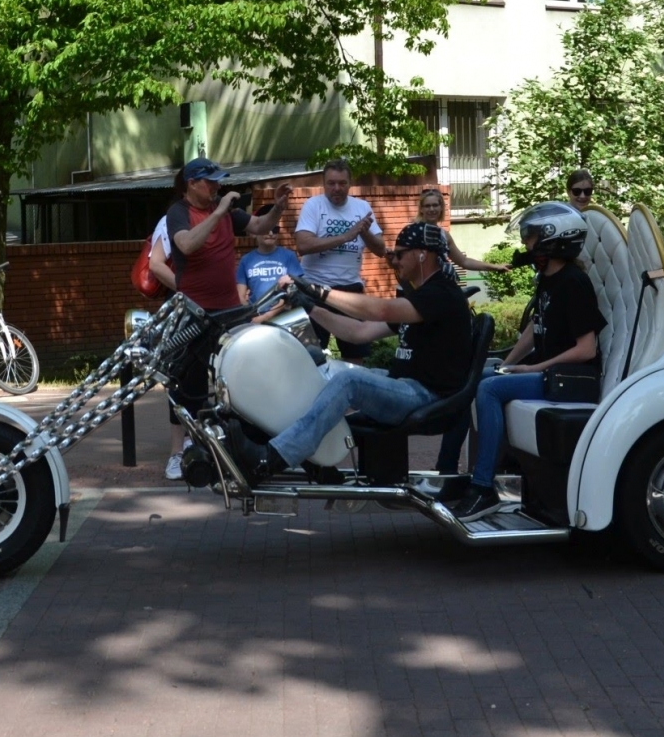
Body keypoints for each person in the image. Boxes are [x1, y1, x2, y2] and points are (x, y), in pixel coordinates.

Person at [221, 222, 473, 486]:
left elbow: (380, 310)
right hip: (405, 385)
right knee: (328, 371)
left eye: (399, 254)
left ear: (422, 254)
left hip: (426, 396)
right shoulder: (423, 296)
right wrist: (310, 307)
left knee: (349, 381)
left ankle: (271, 459)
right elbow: (357, 332)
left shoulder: (441, 293)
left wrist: (316, 290)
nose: (394, 261)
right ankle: (316, 461)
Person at [444, 203, 604, 521]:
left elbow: (587, 349)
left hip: (570, 380)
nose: (525, 243)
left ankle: (483, 487)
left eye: (530, 236)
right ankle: (449, 472)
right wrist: (507, 363)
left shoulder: (574, 282)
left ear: (553, 239)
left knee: (490, 389)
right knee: (476, 377)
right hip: (550, 374)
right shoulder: (548, 278)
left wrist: (533, 368)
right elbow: (536, 326)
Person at [163, 158, 292, 480]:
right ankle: (177, 454)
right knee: (186, 383)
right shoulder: (179, 212)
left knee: (239, 378)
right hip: (194, 311)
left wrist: (277, 207)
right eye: (211, 182)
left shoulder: (225, 211)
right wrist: (219, 211)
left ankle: (241, 449)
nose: (217, 187)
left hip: (229, 310)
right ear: (192, 183)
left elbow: (259, 226)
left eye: (218, 181)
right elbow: (186, 245)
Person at [295, 158, 385, 361]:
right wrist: (346, 236)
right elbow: (303, 245)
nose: (337, 188)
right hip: (314, 289)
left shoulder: (362, 207)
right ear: (323, 183)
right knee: (309, 357)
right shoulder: (313, 205)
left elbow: (381, 249)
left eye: (342, 183)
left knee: (356, 356)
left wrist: (364, 233)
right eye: (331, 183)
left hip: (350, 291)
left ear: (350, 183)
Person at [417, 188, 509, 277]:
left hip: (444, 282)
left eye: (435, 205)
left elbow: (464, 261)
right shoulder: (414, 232)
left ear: (441, 208)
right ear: (421, 209)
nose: (432, 209)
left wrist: (496, 267)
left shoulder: (444, 235)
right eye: (427, 206)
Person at [235, 206, 303, 317]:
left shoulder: (289, 256)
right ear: (254, 231)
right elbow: (240, 295)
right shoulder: (246, 260)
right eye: (266, 229)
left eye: (275, 229)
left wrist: (266, 316)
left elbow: (294, 291)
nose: (271, 233)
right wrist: (250, 315)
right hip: (255, 317)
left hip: (282, 317)